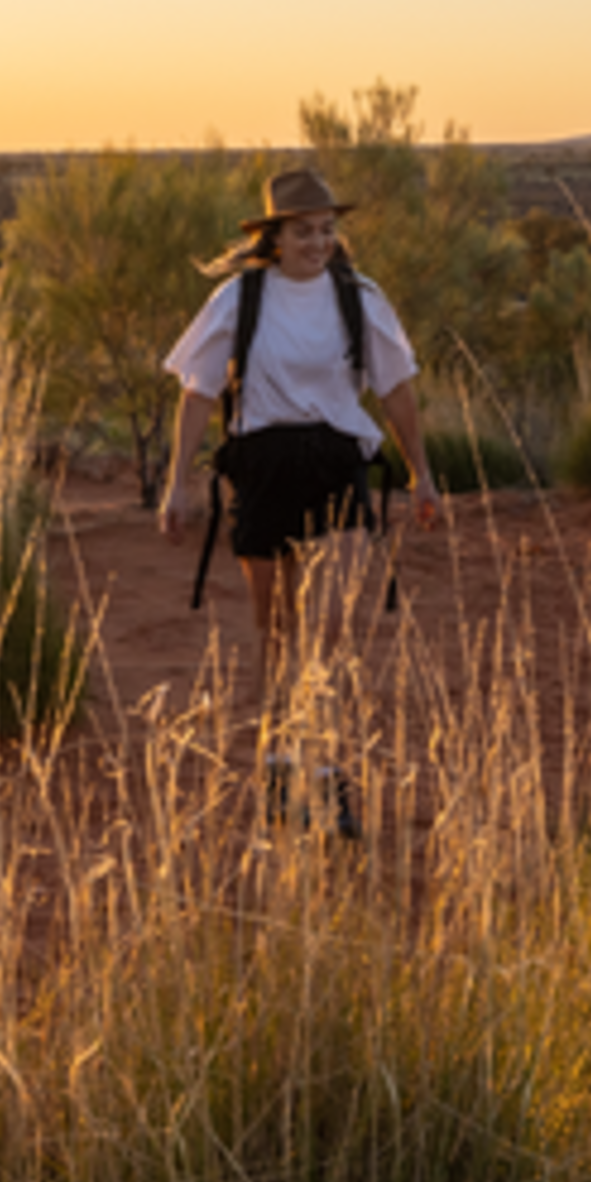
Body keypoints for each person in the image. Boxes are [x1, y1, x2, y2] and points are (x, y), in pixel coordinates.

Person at [155, 165, 443, 828]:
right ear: (275, 237)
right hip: (261, 466)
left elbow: (396, 388)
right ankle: (280, 762)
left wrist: (419, 471)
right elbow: (197, 391)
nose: (319, 242)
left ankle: (328, 773)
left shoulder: (360, 297)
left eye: (327, 230)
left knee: (330, 625)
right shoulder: (240, 298)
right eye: (305, 232)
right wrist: (177, 480)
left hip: (336, 462)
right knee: (278, 631)